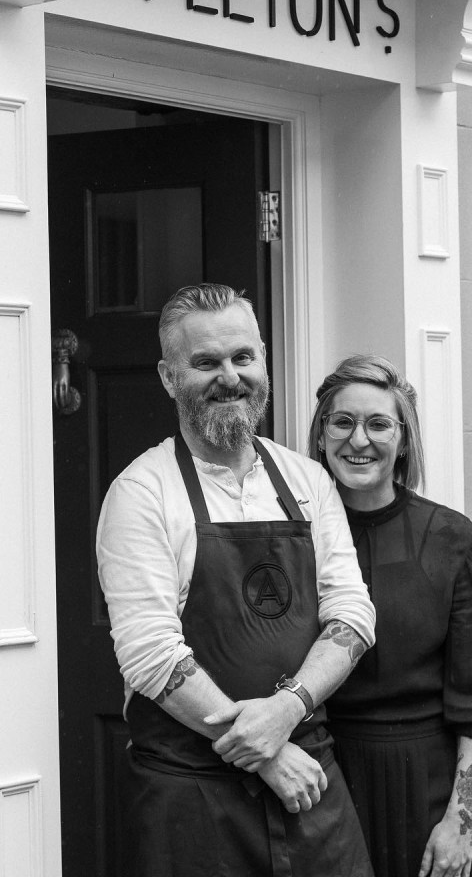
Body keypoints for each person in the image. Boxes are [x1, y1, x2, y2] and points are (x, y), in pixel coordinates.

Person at [96, 283, 377, 877]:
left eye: (243, 357)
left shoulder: (308, 480)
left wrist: (286, 711)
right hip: (193, 794)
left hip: (309, 775)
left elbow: (352, 613)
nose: (230, 376)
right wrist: (265, 753)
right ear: (170, 378)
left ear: (264, 362)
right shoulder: (142, 493)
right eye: (206, 362)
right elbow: (150, 656)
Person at [308, 355, 472, 877]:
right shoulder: (293, 537)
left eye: (379, 423)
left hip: (426, 793)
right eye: (343, 421)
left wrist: (459, 823)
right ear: (320, 434)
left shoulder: (452, 540)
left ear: (404, 439)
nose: (359, 440)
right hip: (317, 783)